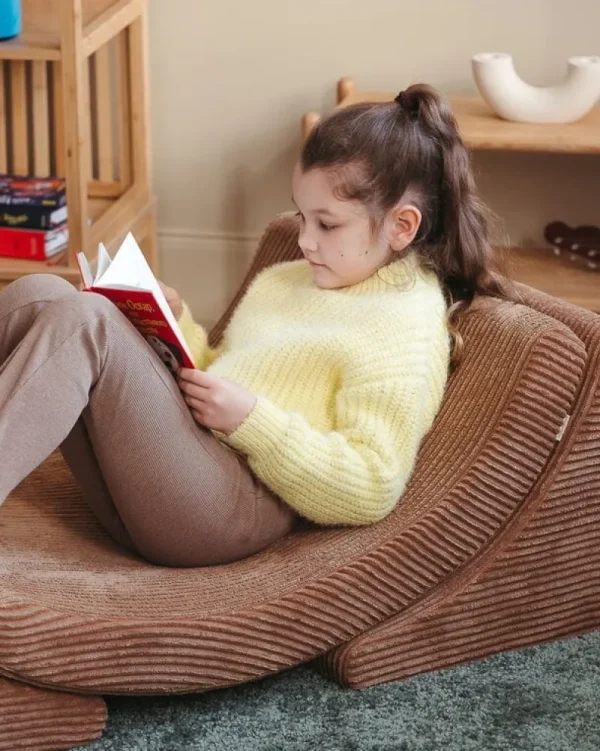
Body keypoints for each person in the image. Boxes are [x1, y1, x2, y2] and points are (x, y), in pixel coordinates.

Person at [0, 84, 516, 568]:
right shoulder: (286, 280)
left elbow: (373, 484)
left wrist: (252, 422)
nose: (306, 240)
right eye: (302, 217)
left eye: (328, 223)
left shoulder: (405, 324)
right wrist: (169, 323)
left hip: (230, 505)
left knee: (86, 321)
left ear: (402, 226)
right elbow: (220, 374)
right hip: (166, 475)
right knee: (40, 294)